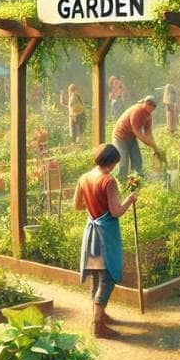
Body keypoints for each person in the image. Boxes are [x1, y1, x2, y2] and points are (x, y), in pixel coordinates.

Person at [74, 144, 139, 338]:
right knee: (108, 277)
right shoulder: (108, 181)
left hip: (91, 231)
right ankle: (98, 324)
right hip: (105, 234)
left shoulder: (84, 178)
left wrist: (93, 205)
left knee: (96, 275)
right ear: (111, 162)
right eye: (115, 163)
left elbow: (77, 205)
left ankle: (100, 315)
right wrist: (130, 199)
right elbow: (115, 211)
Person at [112, 97, 162, 180]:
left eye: (155, 106)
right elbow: (137, 132)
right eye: (152, 105)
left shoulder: (148, 115)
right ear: (146, 103)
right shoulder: (137, 111)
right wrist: (151, 144)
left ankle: (136, 182)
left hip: (131, 138)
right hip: (120, 137)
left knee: (137, 161)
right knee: (123, 162)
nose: (154, 108)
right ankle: (121, 184)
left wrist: (155, 147)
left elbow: (148, 133)